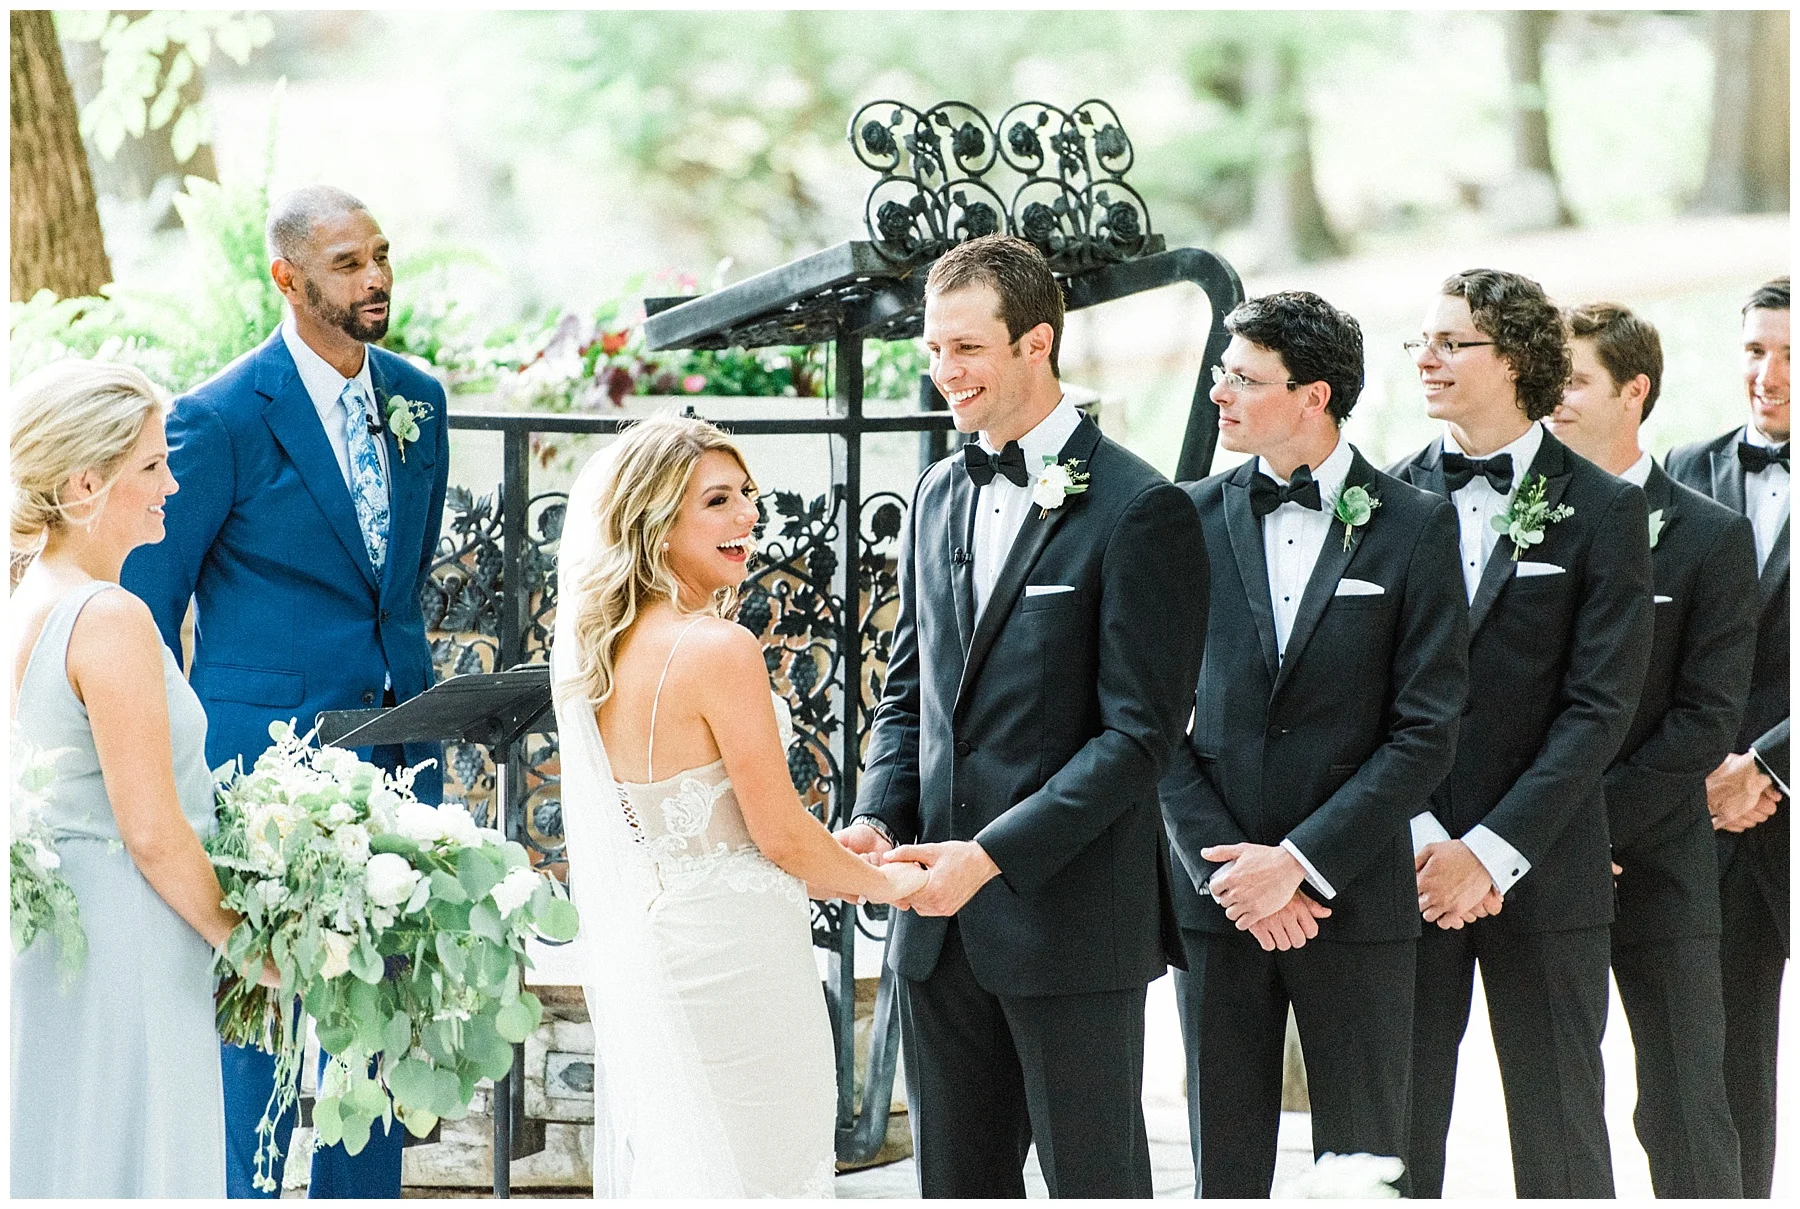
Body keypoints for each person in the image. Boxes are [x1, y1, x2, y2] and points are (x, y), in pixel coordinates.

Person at [840, 234, 1209, 1198]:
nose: (943, 370)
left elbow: (1140, 738)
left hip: (1070, 926)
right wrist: (878, 815)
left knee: (1096, 1185)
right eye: (933, 348)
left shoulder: (1141, 507)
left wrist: (991, 855)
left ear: (1036, 343)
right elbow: (910, 694)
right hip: (934, 933)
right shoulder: (935, 492)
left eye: (966, 347)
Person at [120, 185, 450, 1199]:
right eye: (348, 263)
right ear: (288, 278)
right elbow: (147, 613)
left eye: (381, 255)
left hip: (399, 762)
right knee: (252, 1039)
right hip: (263, 782)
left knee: (380, 1039)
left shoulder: (421, 400)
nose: (376, 278)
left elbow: (400, 583)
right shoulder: (218, 418)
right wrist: (178, 775)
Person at [550, 413, 926, 1196]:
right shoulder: (719, 647)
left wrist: (836, 850)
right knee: (769, 1173)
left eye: (748, 494)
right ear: (657, 522)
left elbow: (711, 824)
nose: (748, 515)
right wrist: (891, 884)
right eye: (717, 500)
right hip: (741, 965)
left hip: (668, 951)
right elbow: (778, 835)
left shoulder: (604, 648)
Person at [1161, 292, 1468, 1197]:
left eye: (1244, 378)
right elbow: (1147, 720)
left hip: (1356, 895)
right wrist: (1231, 871)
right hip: (1219, 899)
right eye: (1221, 374)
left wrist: (1298, 862)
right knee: (1223, 1169)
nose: (1219, 393)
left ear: (1313, 396)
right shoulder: (1181, 519)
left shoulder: (1417, 524)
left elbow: (1426, 730)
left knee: (1368, 1164)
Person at [1389, 269, 1653, 1198]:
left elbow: (1599, 707)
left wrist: (1489, 852)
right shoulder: (1382, 497)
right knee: (1392, 1136)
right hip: (1406, 871)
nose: (1426, 359)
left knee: (1563, 1139)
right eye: (1422, 341)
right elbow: (1364, 696)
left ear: (1513, 359)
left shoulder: (1607, 509)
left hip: (1545, 866)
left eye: (1450, 342)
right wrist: (1426, 839)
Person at [10, 360, 277, 1197]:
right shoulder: (111, 617)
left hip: (59, 942)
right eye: (152, 465)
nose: (172, 484)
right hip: (127, 940)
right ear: (85, 484)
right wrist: (256, 948)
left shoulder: (29, 596)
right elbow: (154, 832)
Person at [1546, 300, 1757, 1196]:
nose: (1552, 397)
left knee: (1682, 1105)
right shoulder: (1523, 520)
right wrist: (1542, 834)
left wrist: (1591, 827)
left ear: (1634, 392)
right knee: (1557, 1108)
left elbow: (1706, 717)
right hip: (1536, 865)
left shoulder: (1710, 534)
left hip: (1661, 859)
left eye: (1572, 380)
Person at [1664, 275, 1790, 1198]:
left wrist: (1774, 764)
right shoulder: (1681, 467)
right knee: (1715, 1061)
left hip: (1782, 792)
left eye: (1791, 357)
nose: (1768, 375)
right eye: (1754, 351)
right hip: (1703, 815)